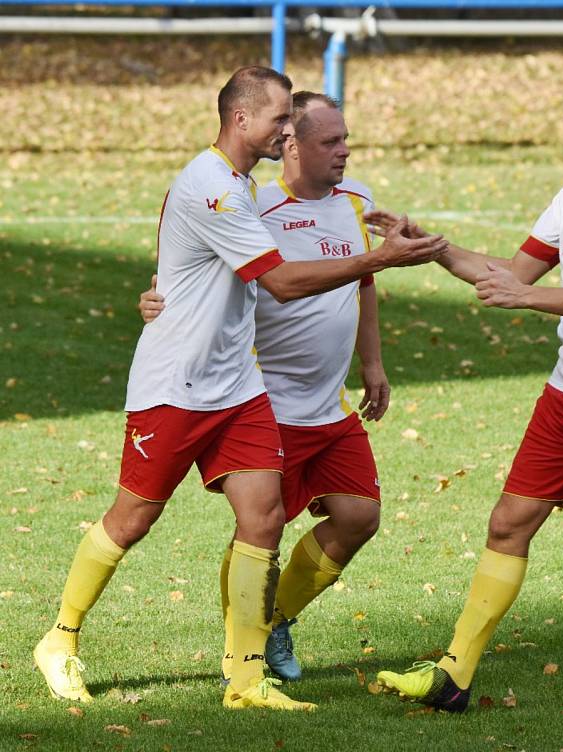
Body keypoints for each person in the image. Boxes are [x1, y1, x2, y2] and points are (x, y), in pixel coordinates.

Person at [34, 67, 447, 712]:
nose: (288, 130)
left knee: (265, 518)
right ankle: (60, 639)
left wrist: (164, 289)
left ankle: (246, 681)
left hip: (237, 387)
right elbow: (278, 282)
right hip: (176, 385)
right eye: (281, 118)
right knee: (132, 519)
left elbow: (190, 266)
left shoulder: (239, 185)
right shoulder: (214, 188)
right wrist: (378, 259)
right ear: (241, 119)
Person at [371, 55, 563, 718]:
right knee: (509, 521)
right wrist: (432, 247)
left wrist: (526, 300)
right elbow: (511, 271)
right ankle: (453, 677)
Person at [139, 92, 388, 683]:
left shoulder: (359, 204)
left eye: (345, 138)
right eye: (330, 141)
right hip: (262, 398)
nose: (345, 151)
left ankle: (272, 622)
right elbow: (187, 277)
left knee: (359, 516)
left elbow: (365, 284)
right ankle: (243, 647)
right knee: (261, 528)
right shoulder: (253, 205)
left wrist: (372, 364)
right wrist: (154, 303)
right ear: (290, 146)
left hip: (330, 402)